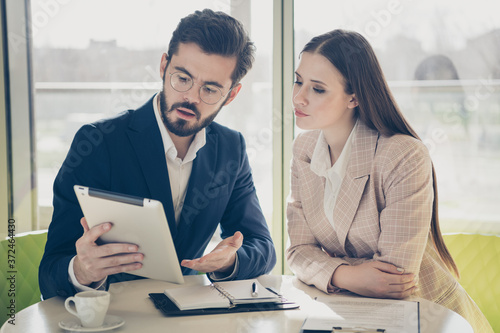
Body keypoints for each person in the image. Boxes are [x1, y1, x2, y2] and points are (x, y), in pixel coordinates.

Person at [39, 9, 276, 299]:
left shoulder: (230, 149)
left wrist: (230, 262)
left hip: (189, 315)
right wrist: (82, 271)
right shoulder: (98, 142)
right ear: (164, 66)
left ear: (232, 94)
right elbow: (50, 271)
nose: (191, 97)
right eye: (183, 78)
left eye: (210, 89)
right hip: (115, 316)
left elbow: (262, 245)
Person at [286, 29, 492, 332]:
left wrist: (324, 267)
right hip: (349, 316)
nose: (298, 97)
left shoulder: (402, 155)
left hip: (423, 315)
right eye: (298, 80)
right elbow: (297, 252)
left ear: (353, 97)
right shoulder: (303, 150)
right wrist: (347, 275)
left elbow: (393, 278)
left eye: (317, 89)